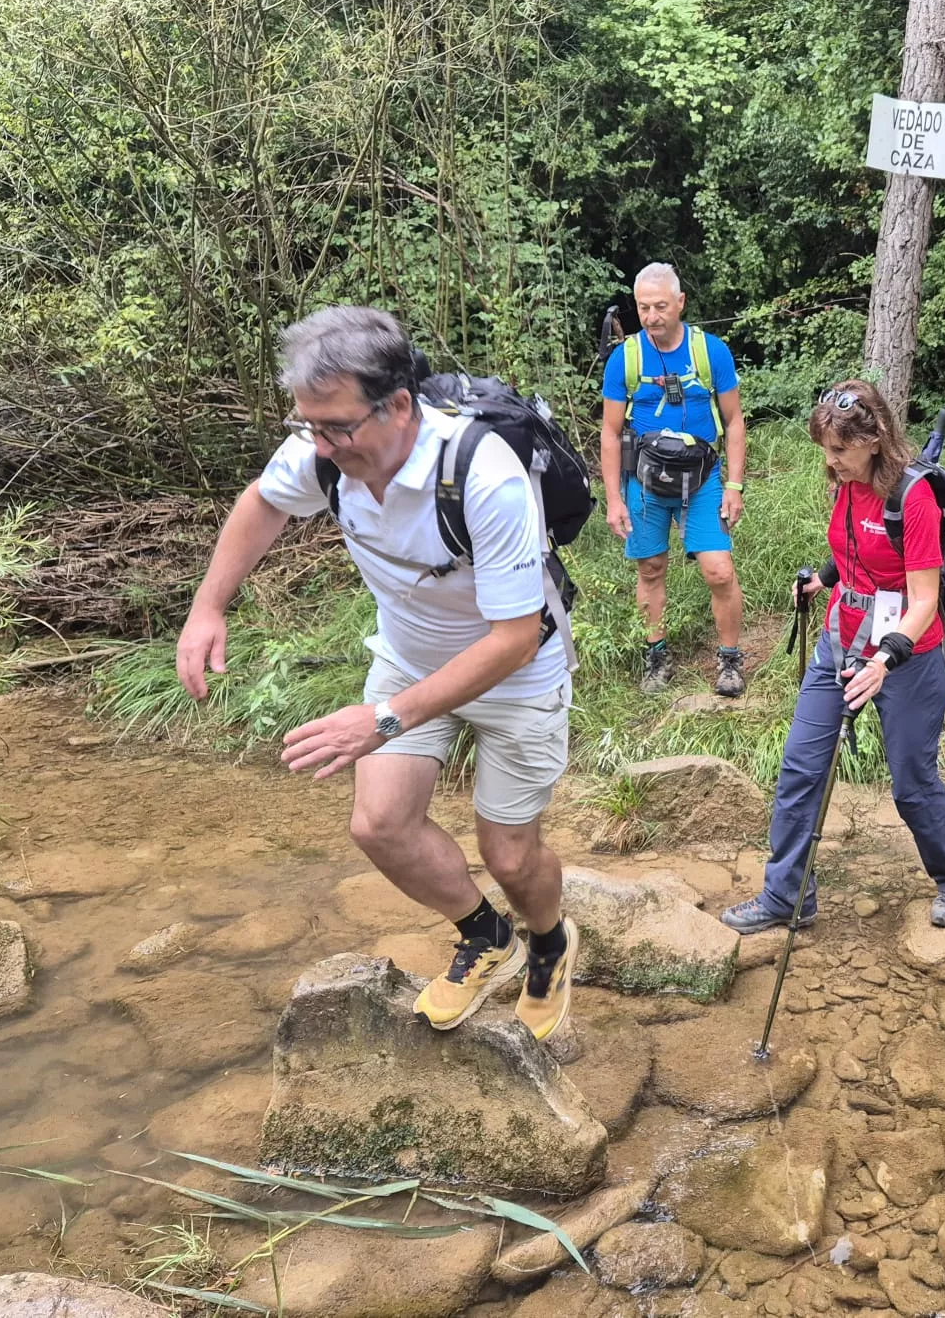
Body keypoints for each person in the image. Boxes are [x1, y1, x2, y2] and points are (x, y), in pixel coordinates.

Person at [176, 307, 577, 1040]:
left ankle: (550, 941)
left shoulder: (484, 475)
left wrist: (386, 718)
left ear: (398, 406)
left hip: (514, 674)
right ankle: (486, 937)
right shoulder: (323, 452)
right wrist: (209, 605)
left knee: (510, 855)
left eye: (335, 427)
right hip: (409, 656)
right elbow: (263, 504)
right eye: (307, 426)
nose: (320, 446)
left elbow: (515, 639)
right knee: (380, 824)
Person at [721, 381, 945, 934]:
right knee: (799, 770)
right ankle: (786, 897)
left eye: (840, 450)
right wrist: (824, 578)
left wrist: (885, 660)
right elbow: (859, 549)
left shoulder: (915, 498)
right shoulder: (844, 483)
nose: (830, 460)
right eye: (825, 449)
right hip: (842, 641)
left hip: (907, 658)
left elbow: (925, 599)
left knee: (912, 783)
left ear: (874, 439)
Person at [600, 263, 749, 697]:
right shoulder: (625, 358)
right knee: (650, 568)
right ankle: (657, 656)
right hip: (644, 482)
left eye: (660, 306)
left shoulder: (711, 352)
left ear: (680, 302)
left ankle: (730, 660)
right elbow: (610, 433)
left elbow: (735, 420)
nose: (651, 316)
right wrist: (613, 498)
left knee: (719, 570)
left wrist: (735, 486)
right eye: (644, 307)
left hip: (702, 481)